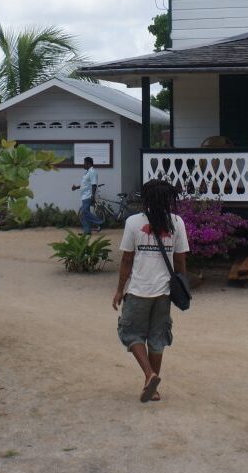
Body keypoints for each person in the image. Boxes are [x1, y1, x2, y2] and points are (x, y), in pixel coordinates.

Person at [111, 179, 189, 403]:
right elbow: (180, 259)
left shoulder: (133, 222)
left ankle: (149, 375)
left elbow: (127, 258)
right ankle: (152, 389)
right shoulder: (177, 222)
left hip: (138, 290)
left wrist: (119, 290)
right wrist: (181, 286)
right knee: (157, 338)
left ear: (145, 199)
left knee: (130, 333)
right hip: (164, 292)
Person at [71, 156, 102, 234]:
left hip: (88, 196)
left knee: (83, 212)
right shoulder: (87, 173)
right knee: (83, 215)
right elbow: (84, 185)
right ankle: (87, 231)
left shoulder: (92, 172)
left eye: (84, 163)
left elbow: (94, 184)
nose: (83, 165)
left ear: (88, 163)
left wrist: (92, 196)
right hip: (84, 196)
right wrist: (76, 187)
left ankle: (99, 221)